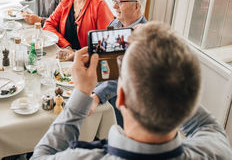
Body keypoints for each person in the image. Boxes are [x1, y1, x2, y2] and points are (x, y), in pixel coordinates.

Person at [31, 22, 232, 159]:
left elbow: (40, 155)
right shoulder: (216, 151)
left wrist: (82, 92)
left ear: (122, 98)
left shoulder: (83, 156)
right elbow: (206, 125)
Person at [90, 0, 148, 127]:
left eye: (120, 2)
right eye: (115, 1)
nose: (114, 6)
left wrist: (97, 95)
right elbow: (104, 57)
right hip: (101, 88)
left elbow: (125, 75)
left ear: (137, 6)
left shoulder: (144, 37)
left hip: (123, 105)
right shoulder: (116, 23)